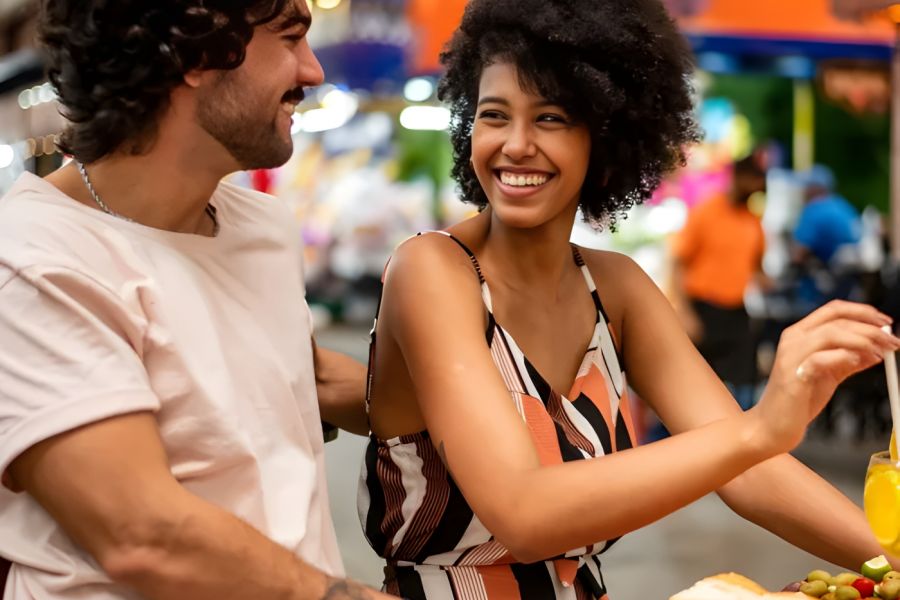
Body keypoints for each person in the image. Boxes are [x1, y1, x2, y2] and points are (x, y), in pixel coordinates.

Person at [357, 1, 900, 598]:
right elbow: (522, 513)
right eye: (494, 115)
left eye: (552, 118)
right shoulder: (430, 270)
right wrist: (762, 428)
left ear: (607, 135)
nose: (515, 145)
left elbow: (755, 475)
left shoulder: (615, 288)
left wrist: (894, 558)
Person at [0, 2, 391, 599]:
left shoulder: (259, 224)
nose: (312, 71)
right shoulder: (35, 260)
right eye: (290, 39)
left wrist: (492, 416)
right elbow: (144, 534)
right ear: (195, 53)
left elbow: (301, 377)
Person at [669, 154, 770, 411]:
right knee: (693, 389)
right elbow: (678, 262)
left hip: (735, 310)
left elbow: (757, 268)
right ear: (738, 178)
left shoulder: (752, 222)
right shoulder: (707, 212)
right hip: (703, 309)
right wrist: (685, 312)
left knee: (744, 384)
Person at [792, 164, 863, 309]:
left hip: (826, 287)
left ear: (814, 188)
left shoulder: (813, 210)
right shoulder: (843, 206)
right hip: (852, 284)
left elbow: (799, 254)